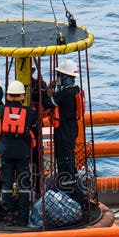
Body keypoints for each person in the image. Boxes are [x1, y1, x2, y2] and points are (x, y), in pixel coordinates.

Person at [0, 79, 37, 226]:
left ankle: (7, 215)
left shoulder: (2, 110)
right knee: (23, 185)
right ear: (22, 96)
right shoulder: (29, 112)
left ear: (8, 96)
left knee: (6, 184)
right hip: (22, 152)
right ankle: (23, 217)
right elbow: (34, 126)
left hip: (6, 151)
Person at [47, 57, 84, 194]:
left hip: (64, 129)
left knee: (63, 157)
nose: (58, 78)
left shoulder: (65, 93)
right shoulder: (75, 90)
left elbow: (49, 103)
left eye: (59, 75)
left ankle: (66, 186)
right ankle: (71, 182)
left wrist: (48, 92)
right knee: (69, 155)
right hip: (72, 127)